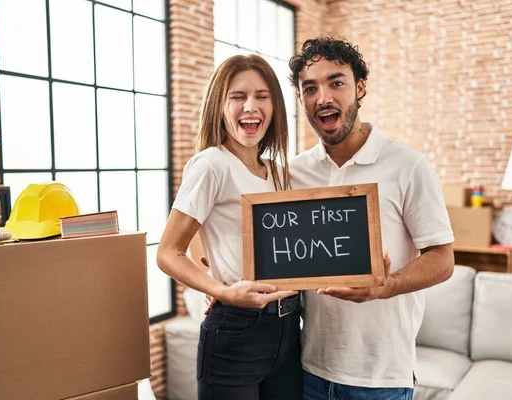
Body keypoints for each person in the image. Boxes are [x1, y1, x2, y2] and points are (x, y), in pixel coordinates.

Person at [288, 37, 455, 400]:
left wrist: (385, 285)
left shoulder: (408, 166)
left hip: (381, 379)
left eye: (336, 82)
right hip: (306, 370)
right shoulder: (294, 173)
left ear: (360, 87)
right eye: (310, 88)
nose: (323, 98)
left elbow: (443, 260)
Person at [157, 55, 302, 400]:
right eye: (237, 96)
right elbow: (168, 252)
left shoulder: (277, 172)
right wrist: (221, 290)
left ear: (275, 106)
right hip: (237, 330)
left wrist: (211, 267)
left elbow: (204, 237)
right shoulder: (211, 164)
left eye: (262, 96)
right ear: (219, 106)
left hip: (289, 328)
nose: (250, 106)